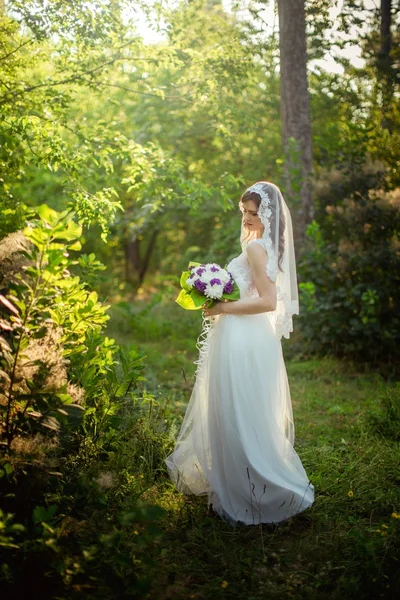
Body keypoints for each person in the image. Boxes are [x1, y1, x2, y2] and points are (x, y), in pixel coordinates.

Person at [165, 181, 314, 526]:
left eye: (253, 213)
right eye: (244, 212)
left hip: (244, 337)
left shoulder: (257, 249)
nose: (246, 218)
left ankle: (254, 487)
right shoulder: (260, 245)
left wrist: (222, 308)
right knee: (239, 407)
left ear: (267, 215)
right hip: (248, 336)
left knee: (237, 408)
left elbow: (267, 302)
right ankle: (239, 479)